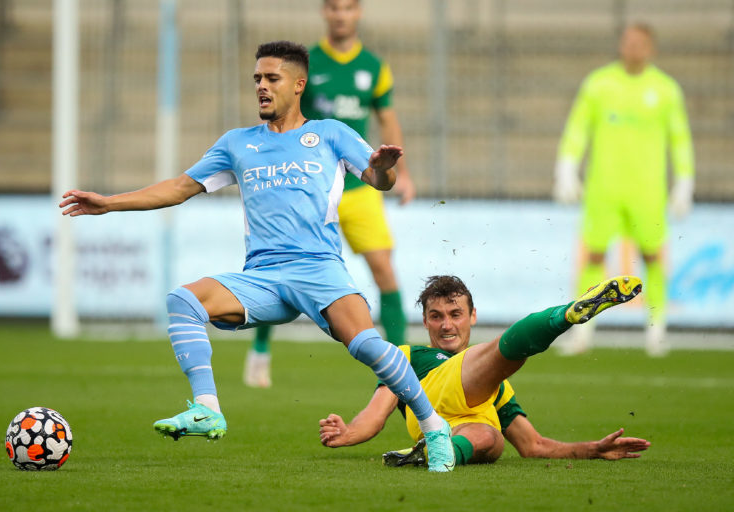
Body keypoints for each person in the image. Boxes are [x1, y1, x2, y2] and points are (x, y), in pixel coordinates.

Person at [59, 41, 456, 472]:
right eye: (257, 80)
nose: (261, 87)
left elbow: (380, 180)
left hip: (318, 270)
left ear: (299, 84)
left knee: (365, 344)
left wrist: (383, 166)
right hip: (263, 277)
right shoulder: (237, 144)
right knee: (183, 300)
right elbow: (179, 187)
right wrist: (110, 203)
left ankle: (434, 427)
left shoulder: (331, 134)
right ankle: (207, 407)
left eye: (272, 79)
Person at [245, 0, 415, 388]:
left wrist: (402, 174)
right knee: (280, 270)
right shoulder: (306, 65)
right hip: (310, 187)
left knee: (384, 270)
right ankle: (259, 353)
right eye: (334, 7)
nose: (341, 14)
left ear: (358, 13)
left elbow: (387, 119)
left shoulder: (373, 67)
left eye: (348, 8)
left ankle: (404, 358)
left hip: (359, 186)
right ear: (325, 12)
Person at [318, 275, 650, 467]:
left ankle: (432, 457)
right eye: (436, 316)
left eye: (455, 314)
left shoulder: (499, 387)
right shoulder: (406, 356)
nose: (447, 325)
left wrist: (592, 449)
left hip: (459, 432)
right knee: (501, 350)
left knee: (491, 438)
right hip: (444, 390)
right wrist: (348, 433)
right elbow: (375, 414)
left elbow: (532, 446)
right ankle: (565, 315)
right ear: (424, 322)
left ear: (472, 316)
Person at [553, 23, 695, 357]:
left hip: (648, 190)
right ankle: (582, 332)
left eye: (640, 44)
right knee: (594, 256)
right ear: (621, 45)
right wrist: (566, 166)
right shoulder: (599, 83)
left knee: (653, 257)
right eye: (628, 42)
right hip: (604, 188)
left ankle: (656, 330)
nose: (633, 49)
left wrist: (685, 180)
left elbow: (680, 138)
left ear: (651, 48)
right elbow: (577, 127)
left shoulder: (665, 90)